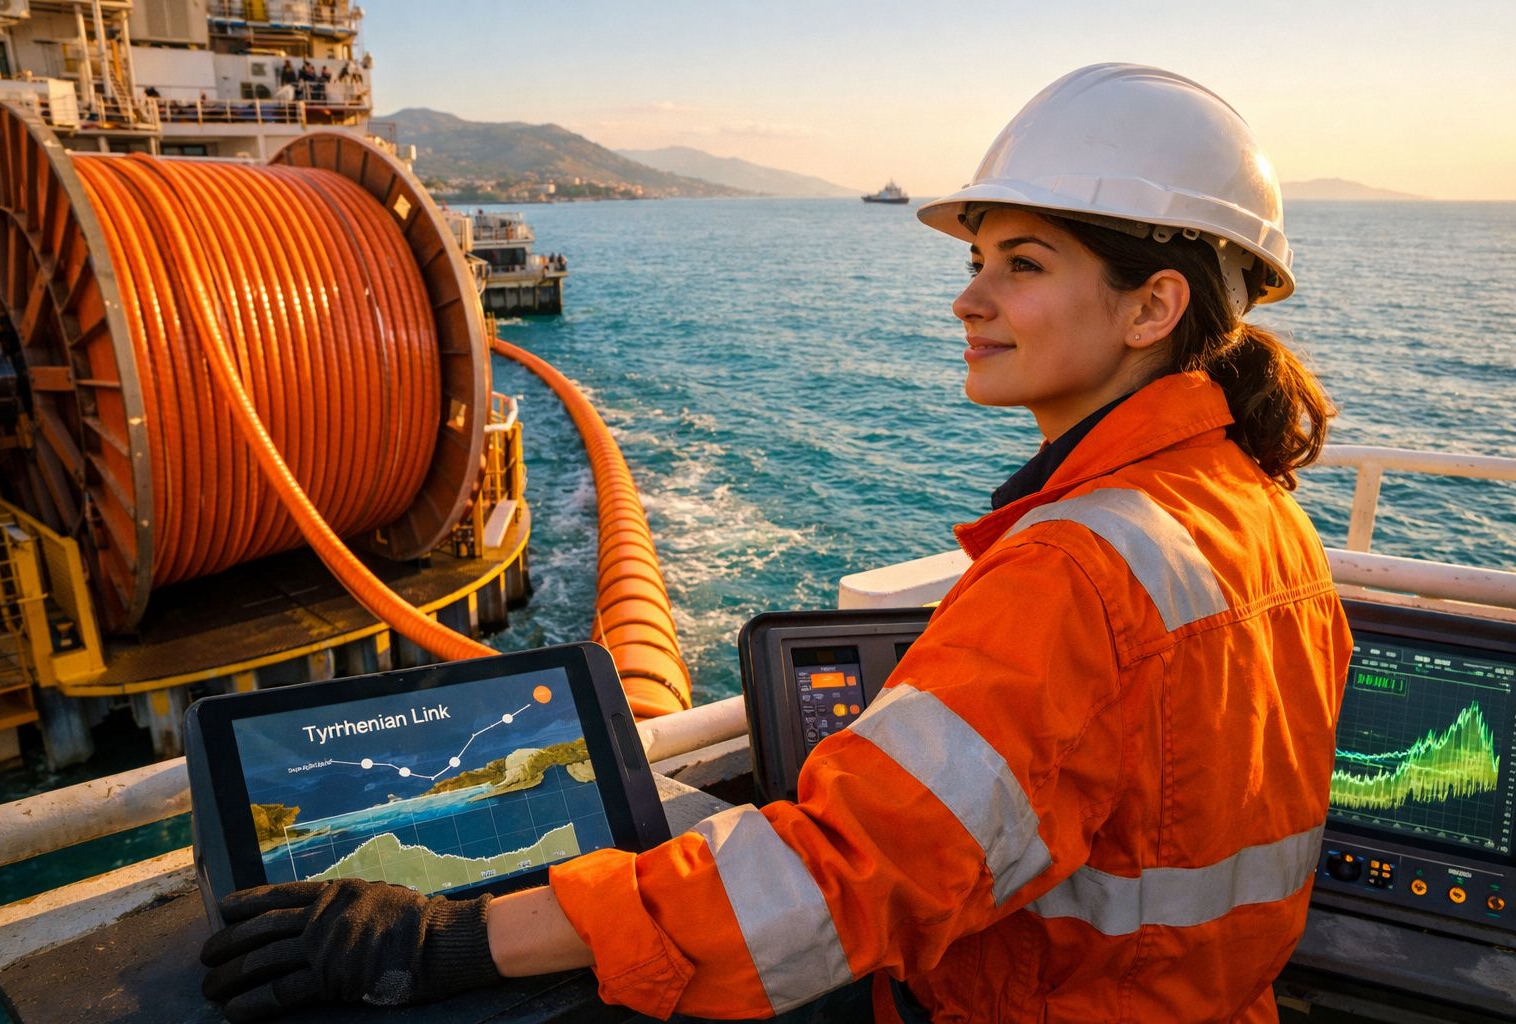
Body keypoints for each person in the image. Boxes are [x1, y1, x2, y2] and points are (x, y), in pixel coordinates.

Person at [200, 64, 1351, 1023]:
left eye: (1024, 263)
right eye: (974, 260)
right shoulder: (1265, 523)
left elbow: (831, 883)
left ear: (1152, 308)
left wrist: (451, 937)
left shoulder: (1077, 570)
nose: (971, 300)